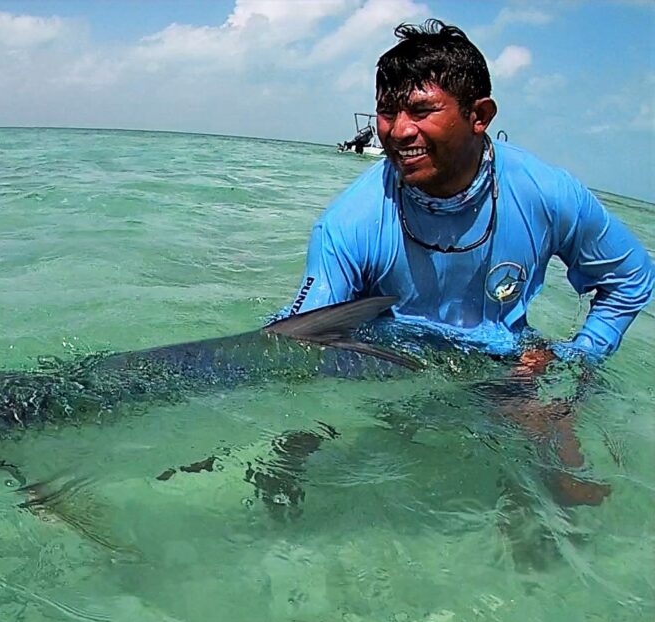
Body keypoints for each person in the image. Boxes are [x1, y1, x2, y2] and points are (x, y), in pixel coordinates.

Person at [273, 19, 654, 506]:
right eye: (387, 112)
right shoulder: (348, 222)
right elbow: (302, 333)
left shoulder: (548, 194)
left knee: (569, 495)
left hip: (504, 371)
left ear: (479, 115)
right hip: (392, 367)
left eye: (422, 110)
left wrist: (576, 356)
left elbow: (631, 278)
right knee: (290, 467)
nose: (399, 131)